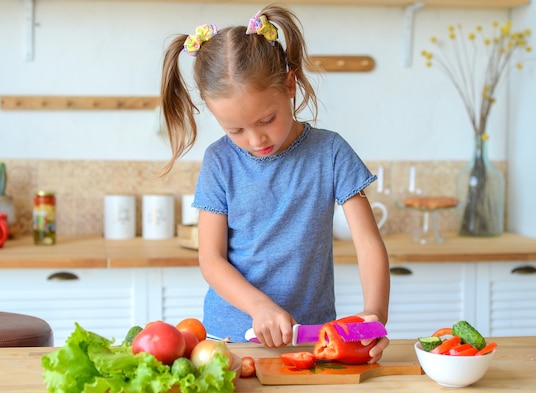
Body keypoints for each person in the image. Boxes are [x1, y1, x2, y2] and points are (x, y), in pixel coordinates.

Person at [159, 4, 390, 362]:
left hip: (313, 336)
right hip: (230, 339)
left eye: (267, 119)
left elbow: (369, 245)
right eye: (234, 129)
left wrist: (374, 314)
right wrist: (259, 307)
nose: (255, 139)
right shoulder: (220, 161)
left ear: (289, 85)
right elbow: (211, 258)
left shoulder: (330, 151)